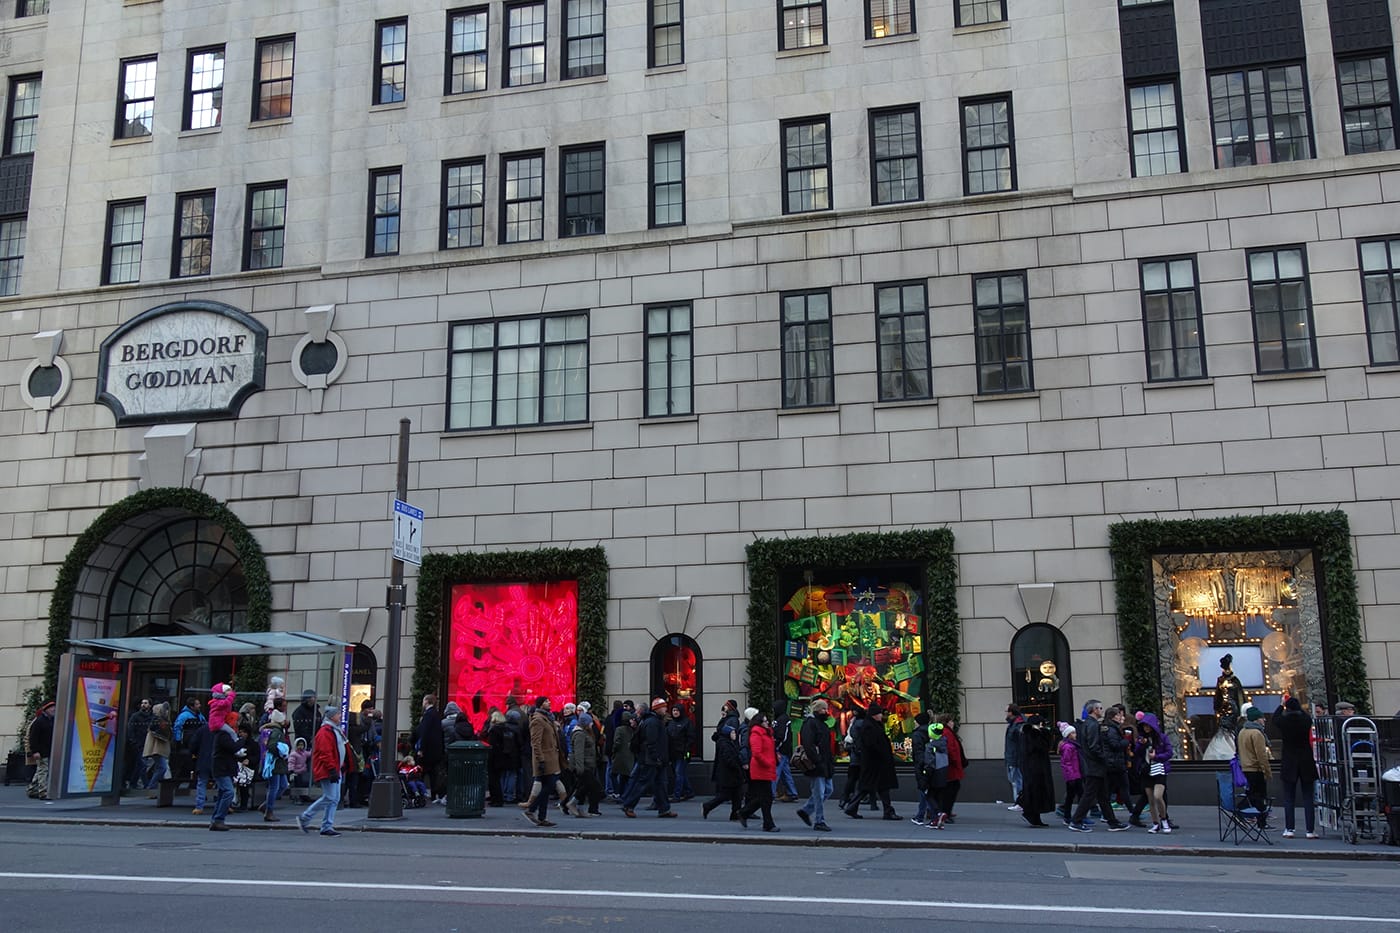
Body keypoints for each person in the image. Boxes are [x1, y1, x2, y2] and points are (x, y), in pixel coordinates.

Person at [1067, 699, 1129, 832]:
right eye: (1100, 708)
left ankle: (1112, 821)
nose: (1102, 710)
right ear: (1094, 710)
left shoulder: (1088, 724)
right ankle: (1076, 821)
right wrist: (1104, 758)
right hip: (1095, 766)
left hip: (1093, 765)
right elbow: (1094, 746)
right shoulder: (1093, 725)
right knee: (1089, 795)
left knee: (1102, 796)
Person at [298, 706, 351, 837]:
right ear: (332, 716)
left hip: (334, 768)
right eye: (338, 714)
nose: (340, 716)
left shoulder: (332, 730)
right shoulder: (326, 732)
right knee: (330, 797)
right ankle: (306, 818)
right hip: (329, 769)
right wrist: (333, 768)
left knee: (334, 798)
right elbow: (325, 753)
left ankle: (326, 825)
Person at [621, 698, 675, 818]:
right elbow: (651, 742)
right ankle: (628, 805)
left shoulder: (654, 721)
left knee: (660, 784)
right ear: (658, 709)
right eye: (664, 707)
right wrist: (657, 758)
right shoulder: (652, 722)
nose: (666, 709)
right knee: (643, 783)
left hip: (655, 759)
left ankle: (664, 809)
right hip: (651, 760)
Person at [844, 706, 899, 820]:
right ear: (874, 715)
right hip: (875, 763)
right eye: (879, 714)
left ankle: (852, 807)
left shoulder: (872, 725)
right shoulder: (869, 727)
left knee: (872, 787)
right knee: (878, 787)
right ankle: (887, 811)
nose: (881, 716)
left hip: (874, 763)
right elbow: (871, 745)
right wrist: (882, 754)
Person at [1274, 697, 1317, 839]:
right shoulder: (1305, 721)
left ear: (1287, 708)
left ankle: (1289, 828)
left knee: (1289, 798)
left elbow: (1275, 718)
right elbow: (1307, 716)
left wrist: (1281, 706)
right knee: (1308, 797)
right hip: (1306, 760)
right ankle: (1310, 830)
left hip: (1289, 761)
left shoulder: (1284, 722)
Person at [795, 698, 835, 832]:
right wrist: (817, 760)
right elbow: (808, 744)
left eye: (826, 708)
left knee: (827, 790)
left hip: (824, 763)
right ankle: (819, 821)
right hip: (817, 764)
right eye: (823, 708)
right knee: (819, 793)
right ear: (817, 709)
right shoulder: (810, 724)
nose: (826, 711)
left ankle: (806, 811)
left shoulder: (821, 724)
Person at [526, 696, 566, 826]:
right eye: (546, 701)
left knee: (546, 786)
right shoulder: (538, 720)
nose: (549, 702)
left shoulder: (547, 718)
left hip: (550, 758)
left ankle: (542, 817)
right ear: (540, 704)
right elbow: (535, 743)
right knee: (549, 785)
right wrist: (541, 760)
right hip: (545, 759)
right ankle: (532, 809)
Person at [738, 710, 778, 831]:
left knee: (765, 797)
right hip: (761, 769)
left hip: (766, 768)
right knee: (766, 798)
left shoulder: (766, 733)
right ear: (759, 722)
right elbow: (757, 753)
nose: (767, 723)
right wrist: (768, 763)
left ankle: (744, 812)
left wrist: (775, 758)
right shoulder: (756, 734)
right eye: (765, 721)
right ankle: (768, 824)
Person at [1136, 712, 1174, 834]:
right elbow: (1136, 753)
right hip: (1147, 770)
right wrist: (1141, 745)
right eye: (1144, 726)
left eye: (1147, 725)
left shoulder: (1162, 738)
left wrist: (1157, 756)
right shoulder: (1142, 738)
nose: (1146, 728)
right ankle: (1155, 823)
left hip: (1159, 769)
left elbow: (1169, 753)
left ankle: (1164, 820)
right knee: (1151, 799)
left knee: (1158, 796)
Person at [1015, 714, 1055, 827]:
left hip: (1032, 767)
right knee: (1037, 792)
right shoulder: (1033, 734)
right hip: (1037, 768)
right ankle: (1031, 814)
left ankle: (1034, 815)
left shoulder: (1026, 733)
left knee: (1034, 792)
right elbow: (1044, 746)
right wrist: (1045, 733)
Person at [1237, 705, 1272, 829]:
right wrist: (1267, 771)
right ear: (1257, 720)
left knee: (1253, 795)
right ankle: (1258, 820)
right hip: (1255, 769)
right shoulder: (1257, 733)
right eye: (1262, 718)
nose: (1264, 720)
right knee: (1259, 796)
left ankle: (1260, 821)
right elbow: (1261, 755)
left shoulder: (1242, 731)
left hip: (1246, 767)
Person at [702, 722, 745, 821]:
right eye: (733, 733)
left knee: (737, 795)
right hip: (729, 774)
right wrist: (737, 767)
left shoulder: (727, 742)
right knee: (726, 795)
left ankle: (735, 814)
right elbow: (728, 759)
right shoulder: (725, 744)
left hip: (731, 774)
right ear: (728, 734)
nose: (735, 735)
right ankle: (708, 806)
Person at [567, 711, 604, 816]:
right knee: (593, 787)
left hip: (587, 764)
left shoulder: (585, 733)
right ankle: (572, 803)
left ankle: (576, 806)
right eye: (590, 722)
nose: (591, 724)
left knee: (585, 786)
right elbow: (579, 752)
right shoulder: (580, 734)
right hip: (583, 766)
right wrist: (580, 768)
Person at [415, 693, 446, 803]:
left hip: (428, 750)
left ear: (427, 701)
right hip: (436, 749)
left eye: (424, 701)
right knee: (433, 773)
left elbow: (425, 732)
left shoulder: (428, 715)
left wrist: (421, 748)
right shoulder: (437, 714)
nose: (423, 703)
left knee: (422, 772)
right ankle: (434, 794)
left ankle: (421, 793)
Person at [938, 711, 968, 822]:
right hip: (950, 767)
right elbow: (951, 749)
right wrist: (956, 761)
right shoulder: (947, 733)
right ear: (947, 722)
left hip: (950, 766)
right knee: (951, 790)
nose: (953, 723)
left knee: (951, 789)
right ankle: (945, 813)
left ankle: (946, 812)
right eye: (951, 720)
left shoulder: (946, 732)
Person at [262, 709, 290, 823]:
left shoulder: (275, 730)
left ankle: (267, 806)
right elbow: (272, 746)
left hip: (277, 763)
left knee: (281, 785)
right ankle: (269, 811)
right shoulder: (277, 732)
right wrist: (281, 753)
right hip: (275, 763)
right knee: (275, 787)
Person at [24, 701, 55, 800]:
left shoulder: (50, 720)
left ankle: (32, 790)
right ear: (46, 709)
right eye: (51, 708)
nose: (53, 709)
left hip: (47, 750)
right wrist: (35, 751)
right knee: (43, 771)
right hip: (41, 751)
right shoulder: (39, 721)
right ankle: (43, 792)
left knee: (41, 770)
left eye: (54, 707)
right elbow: (33, 738)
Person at [141, 701, 172, 798]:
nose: (166, 712)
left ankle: (154, 789)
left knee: (159, 768)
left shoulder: (160, 720)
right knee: (162, 768)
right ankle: (151, 788)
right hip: (156, 748)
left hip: (157, 748)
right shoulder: (156, 721)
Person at [665, 703, 696, 800]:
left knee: (679, 773)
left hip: (682, 752)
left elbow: (691, 738)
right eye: (673, 710)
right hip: (672, 753)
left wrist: (686, 750)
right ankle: (689, 791)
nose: (675, 712)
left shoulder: (687, 722)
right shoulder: (670, 723)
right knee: (679, 773)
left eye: (677, 711)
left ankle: (677, 794)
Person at [770, 701, 799, 802]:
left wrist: (776, 747)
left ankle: (771, 794)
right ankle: (792, 792)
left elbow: (782, 736)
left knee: (775, 772)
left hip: (780, 750)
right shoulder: (782, 719)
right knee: (785, 772)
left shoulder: (781, 720)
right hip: (783, 749)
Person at [124, 699, 154, 792]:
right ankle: (147, 785)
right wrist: (133, 741)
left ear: (150, 705)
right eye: (142, 703)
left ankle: (133, 783)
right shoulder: (135, 716)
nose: (143, 705)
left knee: (139, 765)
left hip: (147, 742)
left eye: (145, 703)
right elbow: (130, 729)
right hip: (139, 743)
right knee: (143, 764)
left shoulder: (152, 717)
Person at [1056, 722, 1083, 823]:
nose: (1076, 735)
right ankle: (1072, 816)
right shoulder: (1069, 747)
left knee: (1071, 796)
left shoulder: (1072, 745)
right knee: (1075, 796)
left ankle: (1068, 816)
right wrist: (1072, 776)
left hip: (1074, 774)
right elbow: (1066, 762)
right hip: (1073, 775)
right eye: (1074, 733)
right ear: (1069, 735)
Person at [610, 708, 637, 801]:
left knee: (613, 774)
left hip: (619, 755)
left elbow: (616, 742)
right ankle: (623, 794)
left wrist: (613, 751)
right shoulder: (632, 730)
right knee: (624, 777)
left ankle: (617, 792)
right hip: (629, 755)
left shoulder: (619, 729)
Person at [1003, 704, 1025, 810]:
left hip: (1015, 757)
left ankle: (1019, 802)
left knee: (1017, 781)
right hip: (1012, 757)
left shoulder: (1018, 725)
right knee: (1015, 780)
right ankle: (1019, 802)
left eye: (1007, 711)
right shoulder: (1014, 724)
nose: (1006, 713)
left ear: (1011, 712)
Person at [189, 720, 213, 814]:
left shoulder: (201, 730)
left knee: (201, 783)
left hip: (203, 759)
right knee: (221, 783)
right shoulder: (222, 729)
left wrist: (194, 754)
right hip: (217, 760)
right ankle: (225, 805)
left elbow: (193, 744)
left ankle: (199, 806)